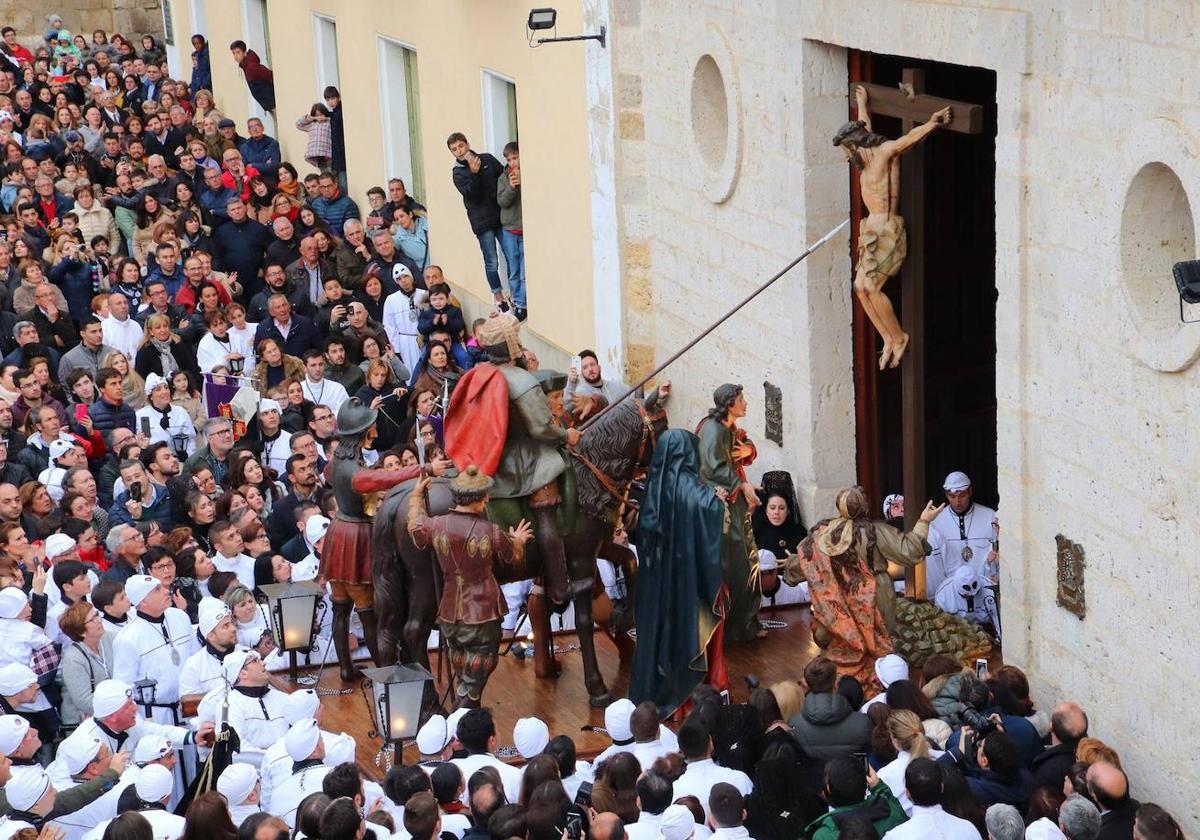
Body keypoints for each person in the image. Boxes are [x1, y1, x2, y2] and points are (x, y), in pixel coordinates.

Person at [786, 487, 991, 688]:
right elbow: (908, 549)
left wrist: (789, 570)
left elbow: (805, 560)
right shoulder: (874, 531)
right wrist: (924, 521)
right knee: (877, 638)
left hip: (840, 595)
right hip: (875, 595)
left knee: (843, 637)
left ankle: (843, 677)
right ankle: (878, 677)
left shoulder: (824, 532)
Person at [407, 467, 528, 706]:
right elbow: (512, 556)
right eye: (486, 496)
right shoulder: (490, 531)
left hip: (450, 612)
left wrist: (416, 497)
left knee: (462, 668)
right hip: (482, 614)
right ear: (481, 499)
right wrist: (520, 540)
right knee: (474, 680)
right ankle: (461, 725)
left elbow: (414, 526)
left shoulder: (437, 525)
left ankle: (467, 720)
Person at [629, 429, 728, 716]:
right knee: (697, 628)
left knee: (660, 633)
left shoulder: (653, 488)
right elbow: (715, 518)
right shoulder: (694, 490)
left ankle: (654, 691)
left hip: (659, 584)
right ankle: (696, 694)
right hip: (690, 582)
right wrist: (717, 499)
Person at [321, 400, 418, 681]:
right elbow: (388, 478)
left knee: (341, 607)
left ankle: (346, 667)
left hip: (338, 532)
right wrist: (423, 469)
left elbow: (329, 475)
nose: (375, 431)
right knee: (368, 612)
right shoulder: (354, 472)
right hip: (356, 537)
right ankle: (384, 673)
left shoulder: (338, 461)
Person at [695, 384, 762, 642]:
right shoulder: (713, 429)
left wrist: (749, 450)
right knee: (737, 563)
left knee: (747, 560)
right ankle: (733, 625)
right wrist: (741, 485)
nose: (745, 403)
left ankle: (745, 622)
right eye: (741, 399)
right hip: (721, 507)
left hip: (735, 505)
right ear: (729, 403)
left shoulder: (729, 427)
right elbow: (712, 468)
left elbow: (744, 442)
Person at [446, 133, 508, 306]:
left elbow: (502, 176)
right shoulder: (458, 173)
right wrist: (474, 173)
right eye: (454, 149)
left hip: (500, 216)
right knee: (491, 261)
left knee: (511, 253)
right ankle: (499, 298)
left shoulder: (487, 159)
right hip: (481, 222)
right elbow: (472, 196)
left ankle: (514, 293)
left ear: (467, 144)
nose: (458, 151)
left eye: (460, 146)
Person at [925, 471, 998, 598]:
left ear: (970, 492)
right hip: (951, 595)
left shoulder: (990, 516)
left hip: (984, 592)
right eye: (951, 496)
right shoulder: (937, 521)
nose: (957, 501)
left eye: (962, 495)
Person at [496, 141, 525, 320]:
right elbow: (503, 202)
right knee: (513, 270)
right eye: (509, 159)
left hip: (525, 228)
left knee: (524, 270)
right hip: (509, 229)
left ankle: (523, 303)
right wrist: (512, 188)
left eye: (515, 158)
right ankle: (517, 301)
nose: (512, 162)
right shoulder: (503, 178)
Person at [230, 40, 275, 112]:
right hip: (268, 104)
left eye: (238, 52)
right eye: (233, 53)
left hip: (272, 103)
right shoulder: (245, 66)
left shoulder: (251, 66)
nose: (235, 56)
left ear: (244, 53)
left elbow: (271, 76)